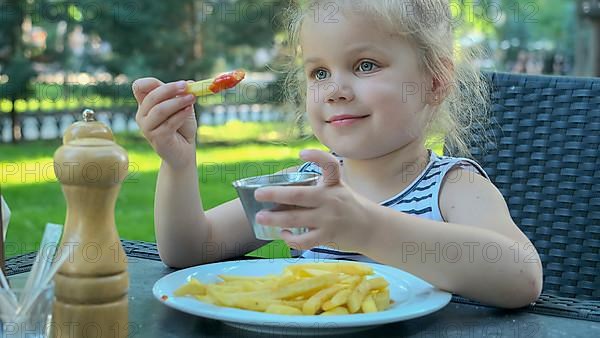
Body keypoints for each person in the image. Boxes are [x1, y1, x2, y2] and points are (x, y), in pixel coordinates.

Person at [132, 0, 543, 309]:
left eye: (365, 65)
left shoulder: (454, 187)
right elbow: (189, 251)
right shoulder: (304, 184)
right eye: (320, 73)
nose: (335, 89)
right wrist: (178, 162)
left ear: (434, 83)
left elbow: (521, 278)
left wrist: (363, 228)